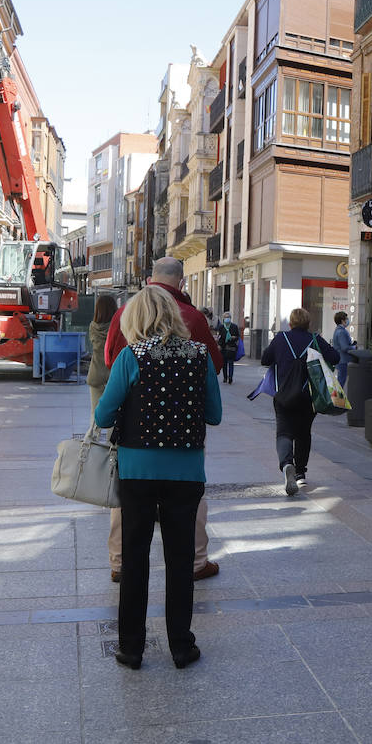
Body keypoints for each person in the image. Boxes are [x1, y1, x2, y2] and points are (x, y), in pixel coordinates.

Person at [94, 286, 221, 670]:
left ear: (136, 318)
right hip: (185, 473)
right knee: (181, 561)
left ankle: (131, 648)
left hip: (137, 472)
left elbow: (102, 416)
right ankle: (181, 646)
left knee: (135, 559)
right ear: (175, 316)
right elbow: (214, 415)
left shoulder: (131, 356)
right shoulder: (199, 356)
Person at [105, 258, 222, 583]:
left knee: (124, 501)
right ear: (182, 283)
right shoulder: (195, 318)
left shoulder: (125, 313)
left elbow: (109, 358)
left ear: (148, 279)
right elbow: (214, 365)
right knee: (190, 501)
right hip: (184, 433)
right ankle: (196, 562)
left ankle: (119, 562)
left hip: (135, 436)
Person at [261, 307, 340, 495]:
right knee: (304, 433)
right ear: (308, 324)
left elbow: (265, 359)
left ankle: (287, 463)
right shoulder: (314, 340)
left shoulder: (281, 338)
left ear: (290, 323)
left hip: (283, 396)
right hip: (307, 397)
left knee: (284, 432)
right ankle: (301, 472)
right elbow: (335, 357)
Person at [87, 295, 118, 414]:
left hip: (96, 374)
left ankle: (93, 433)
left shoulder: (92, 327)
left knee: (95, 413)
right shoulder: (118, 327)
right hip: (113, 375)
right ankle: (111, 434)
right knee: (114, 413)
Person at [332, 311, 355, 387]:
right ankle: (338, 398)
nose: (348, 320)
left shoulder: (337, 330)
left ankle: (337, 397)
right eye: (346, 319)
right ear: (342, 320)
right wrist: (353, 347)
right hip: (343, 360)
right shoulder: (341, 332)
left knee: (340, 380)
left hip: (340, 359)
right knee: (341, 382)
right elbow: (344, 347)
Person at [218, 311, 241, 384]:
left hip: (231, 347)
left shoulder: (234, 326)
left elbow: (238, 336)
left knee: (231, 363)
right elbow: (220, 337)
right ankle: (225, 377)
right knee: (224, 364)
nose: (227, 319)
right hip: (223, 347)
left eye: (228, 317)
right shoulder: (221, 327)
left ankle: (230, 377)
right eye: (225, 317)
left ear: (230, 318)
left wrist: (234, 337)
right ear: (223, 318)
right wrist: (219, 345)